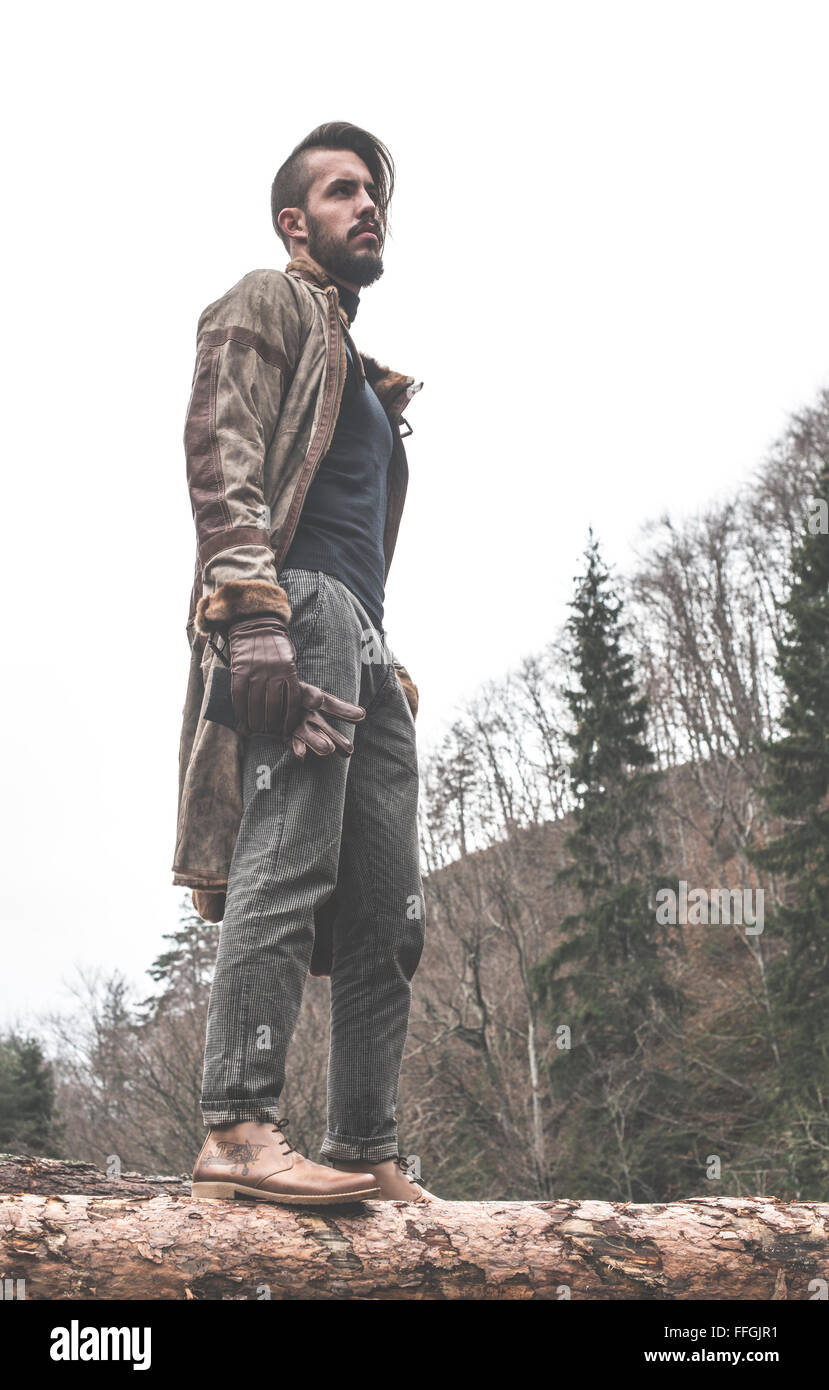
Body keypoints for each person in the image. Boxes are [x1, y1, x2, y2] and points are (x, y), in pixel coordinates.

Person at [175, 121, 436, 1204]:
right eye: (341, 191)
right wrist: (254, 618)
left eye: (373, 191)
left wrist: (385, 659)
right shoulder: (265, 302)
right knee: (288, 855)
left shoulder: (370, 385)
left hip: (365, 642)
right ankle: (238, 1127)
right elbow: (221, 447)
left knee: (391, 908)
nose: (366, 203)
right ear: (296, 222)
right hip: (298, 613)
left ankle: (360, 1145)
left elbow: (361, 537)